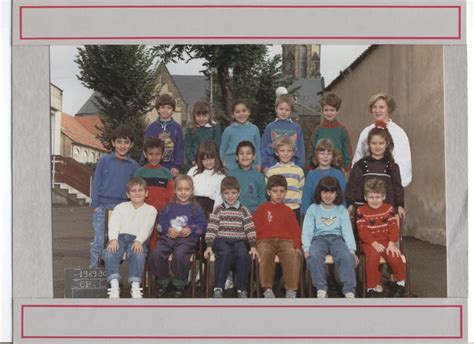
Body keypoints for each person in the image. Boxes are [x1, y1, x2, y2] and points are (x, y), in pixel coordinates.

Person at [149, 175, 208, 298]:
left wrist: (191, 229)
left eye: (187, 189)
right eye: (180, 189)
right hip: (167, 238)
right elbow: (160, 224)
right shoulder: (168, 207)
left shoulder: (195, 208)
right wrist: (167, 229)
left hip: (186, 240)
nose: (183, 192)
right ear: (174, 190)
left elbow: (203, 225)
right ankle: (163, 281)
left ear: (192, 191)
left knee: (180, 255)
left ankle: (180, 283)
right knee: (156, 254)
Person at [89, 126, 138, 268]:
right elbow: (97, 182)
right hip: (103, 207)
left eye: (126, 142)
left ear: (131, 144)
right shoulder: (104, 161)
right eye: (119, 142)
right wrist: (96, 204)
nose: (122, 146)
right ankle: (94, 276)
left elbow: (134, 189)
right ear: (113, 143)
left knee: (116, 243)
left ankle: (112, 276)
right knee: (99, 241)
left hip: (123, 209)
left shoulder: (133, 165)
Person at [302, 176, 358, 298]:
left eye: (332, 192)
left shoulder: (341, 210)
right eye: (325, 192)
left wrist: (351, 250)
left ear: (337, 193)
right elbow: (307, 230)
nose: (328, 195)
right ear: (319, 192)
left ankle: (349, 289)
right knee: (314, 255)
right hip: (318, 239)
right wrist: (306, 248)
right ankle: (321, 288)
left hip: (337, 238)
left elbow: (347, 231)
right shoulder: (313, 209)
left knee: (346, 256)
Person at [204, 176, 259, 298]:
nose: (230, 196)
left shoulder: (244, 210)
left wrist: (253, 246)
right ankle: (218, 287)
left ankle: (241, 288)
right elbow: (212, 228)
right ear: (222, 194)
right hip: (221, 240)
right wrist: (209, 246)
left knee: (243, 255)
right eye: (226, 193)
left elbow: (250, 228)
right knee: (225, 254)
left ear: (239, 193)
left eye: (233, 193)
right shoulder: (218, 210)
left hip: (239, 240)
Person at [103, 177, 157, 298]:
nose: (137, 193)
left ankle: (135, 286)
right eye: (133, 191)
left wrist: (138, 241)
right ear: (128, 194)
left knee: (138, 253)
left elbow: (147, 227)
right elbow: (114, 224)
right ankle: (114, 284)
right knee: (110, 252)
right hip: (120, 238)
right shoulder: (120, 207)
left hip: (138, 239)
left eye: (140, 190)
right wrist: (113, 239)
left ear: (146, 193)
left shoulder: (151, 210)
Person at [356, 178, 406, 297]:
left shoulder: (389, 209)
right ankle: (371, 287)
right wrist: (373, 243)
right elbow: (362, 231)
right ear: (365, 197)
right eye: (371, 197)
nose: (374, 200)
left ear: (383, 197)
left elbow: (394, 228)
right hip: (368, 242)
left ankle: (401, 283)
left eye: (378, 197)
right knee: (373, 256)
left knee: (394, 255)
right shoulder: (361, 210)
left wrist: (392, 243)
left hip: (387, 241)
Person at [253, 175, 302, 298]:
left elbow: (295, 230)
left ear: (285, 192)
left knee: (291, 255)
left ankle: (291, 290)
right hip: (265, 240)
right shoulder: (261, 209)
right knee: (265, 253)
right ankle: (267, 289)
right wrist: (254, 245)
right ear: (269, 192)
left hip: (285, 241)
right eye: (275, 191)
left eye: (282, 191)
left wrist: (296, 246)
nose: (278, 194)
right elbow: (254, 228)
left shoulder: (288, 211)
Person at [346, 124, 405, 219]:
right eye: (374, 143)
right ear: (369, 144)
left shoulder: (392, 166)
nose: (377, 146)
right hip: (363, 209)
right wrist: (350, 203)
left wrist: (399, 205)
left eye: (381, 143)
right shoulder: (360, 165)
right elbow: (352, 185)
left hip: (385, 210)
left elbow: (398, 188)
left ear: (387, 143)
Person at [352, 93, 412, 187]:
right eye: (374, 107)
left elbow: (403, 162)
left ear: (388, 108)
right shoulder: (366, 132)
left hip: (389, 184)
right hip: (368, 185)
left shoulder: (398, 133)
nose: (377, 110)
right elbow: (358, 157)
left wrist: (397, 186)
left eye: (381, 107)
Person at [135, 137, 174, 252]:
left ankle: (155, 269)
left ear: (162, 155)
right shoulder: (140, 171)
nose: (154, 157)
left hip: (161, 215)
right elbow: (136, 193)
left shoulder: (166, 173)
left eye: (157, 154)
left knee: (157, 244)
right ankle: (144, 268)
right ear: (145, 154)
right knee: (143, 242)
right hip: (144, 214)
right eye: (150, 154)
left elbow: (171, 196)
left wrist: (167, 212)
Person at [307, 92, 353, 171]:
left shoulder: (342, 130)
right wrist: (311, 166)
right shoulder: (318, 130)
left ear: (337, 111)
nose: (329, 113)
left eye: (332, 110)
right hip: (319, 168)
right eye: (326, 110)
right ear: (322, 111)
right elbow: (311, 148)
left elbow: (347, 151)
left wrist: (345, 167)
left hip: (337, 168)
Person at [261, 94, 305, 173]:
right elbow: (264, 147)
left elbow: (300, 149)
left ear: (291, 111)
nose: (283, 112)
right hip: (272, 167)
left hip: (292, 169)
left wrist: (300, 166)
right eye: (281, 109)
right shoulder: (270, 127)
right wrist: (265, 165)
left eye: (287, 110)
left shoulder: (296, 128)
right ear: (276, 109)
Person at [142, 93, 184, 177]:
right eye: (162, 107)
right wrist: (143, 164)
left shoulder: (177, 128)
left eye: (168, 108)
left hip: (171, 167)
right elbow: (146, 146)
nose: (165, 110)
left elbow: (179, 148)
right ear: (158, 109)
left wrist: (177, 166)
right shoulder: (151, 127)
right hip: (153, 164)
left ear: (173, 110)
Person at [301, 138, 347, 215]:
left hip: (335, 214)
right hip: (316, 214)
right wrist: (305, 214)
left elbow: (343, 197)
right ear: (316, 155)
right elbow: (306, 197)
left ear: (333, 156)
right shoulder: (311, 174)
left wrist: (343, 213)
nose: (325, 156)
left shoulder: (338, 174)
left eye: (329, 154)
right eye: (322, 153)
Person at [266, 136, 305, 223]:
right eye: (282, 151)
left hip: (294, 208)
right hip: (276, 207)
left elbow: (301, 189)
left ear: (293, 152)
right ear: (276, 152)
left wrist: (297, 202)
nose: (286, 154)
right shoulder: (271, 171)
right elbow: (268, 189)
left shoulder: (298, 170)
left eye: (289, 151)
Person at [187, 140, 226, 218]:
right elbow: (186, 189)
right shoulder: (193, 171)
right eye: (204, 159)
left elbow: (219, 198)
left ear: (216, 157)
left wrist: (214, 216)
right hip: (192, 207)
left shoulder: (221, 176)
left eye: (211, 158)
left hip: (209, 211)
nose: (208, 162)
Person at [220, 99, 262, 171]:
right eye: (237, 112)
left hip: (250, 166)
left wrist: (259, 163)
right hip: (231, 167)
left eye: (244, 111)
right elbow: (222, 149)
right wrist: (221, 165)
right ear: (233, 115)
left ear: (249, 112)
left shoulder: (254, 129)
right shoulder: (228, 130)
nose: (241, 114)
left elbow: (258, 149)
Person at [228, 141, 266, 214]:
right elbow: (226, 195)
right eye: (241, 153)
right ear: (236, 157)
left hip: (254, 213)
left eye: (248, 153)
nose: (245, 156)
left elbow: (262, 198)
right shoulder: (231, 175)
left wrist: (260, 214)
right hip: (235, 213)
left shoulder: (259, 176)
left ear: (254, 156)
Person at [184, 101, 222, 171]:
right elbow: (187, 146)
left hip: (210, 162)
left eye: (204, 116)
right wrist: (192, 160)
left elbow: (217, 144)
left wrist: (213, 160)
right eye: (198, 116)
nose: (201, 119)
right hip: (195, 163)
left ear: (209, 115)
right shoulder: (190, 128)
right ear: (194, 115)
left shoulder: (215, 127)